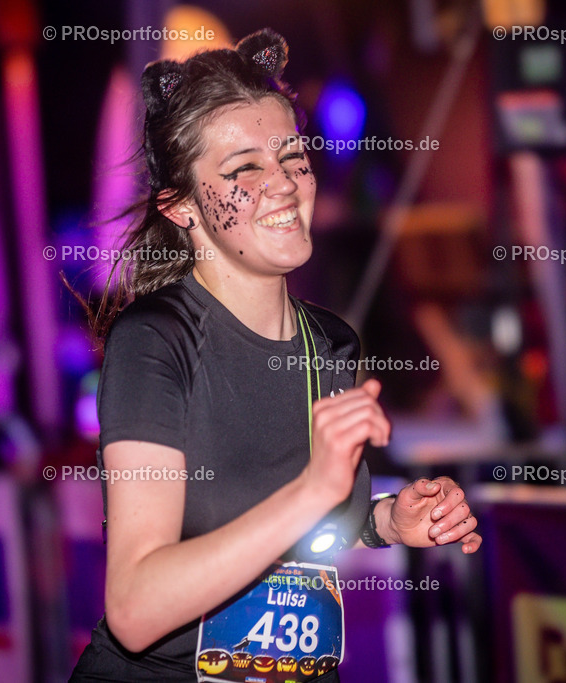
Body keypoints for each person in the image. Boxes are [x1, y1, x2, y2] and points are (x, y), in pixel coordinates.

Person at [70, 29, 482, 683]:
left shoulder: (330, 343)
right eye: (243, 170)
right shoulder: (155, 342)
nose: (285, 185)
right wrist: (313, 487)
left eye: (292, 157)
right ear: (182, 208)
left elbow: (308, 530)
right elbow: (133, 608)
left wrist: (389, 520)